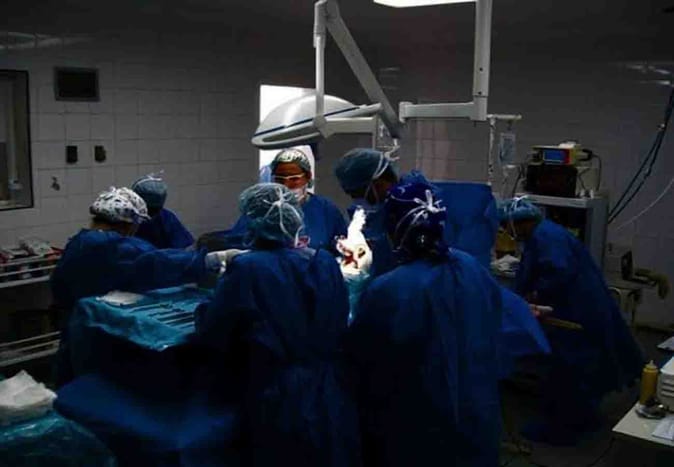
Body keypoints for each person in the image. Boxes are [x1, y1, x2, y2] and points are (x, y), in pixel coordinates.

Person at [195, 183, 360, 467]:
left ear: (253, 222)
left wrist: (203, 310)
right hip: (329, 389)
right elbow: (340, 318)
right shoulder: (323, 261)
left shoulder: (248, 268)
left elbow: (215, 331)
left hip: (277, 394)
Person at [344, 180, 502, 467]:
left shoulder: (391, 288)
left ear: (396, 228)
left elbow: (361, 357)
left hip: (417, 417)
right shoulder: (470, 267)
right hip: (475, 406)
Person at [499, 197, 643, 445]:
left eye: (507, 225)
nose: (507, 232)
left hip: (577, 312)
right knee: (582, 370)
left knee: (568, 371)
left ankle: (563, 430)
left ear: (519, 222)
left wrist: (534, 296)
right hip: (581, 307)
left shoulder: (546, 237)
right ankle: (584, 418)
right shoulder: (544, 234)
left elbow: (557, 272)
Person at [51, 187, 227, 386]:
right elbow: (157, 262)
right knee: (100, 381)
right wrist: (207, 260)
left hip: (75, 322)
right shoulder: (112, 246)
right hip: (95, 329)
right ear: (128, 225)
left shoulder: (79, 241)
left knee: (74, 377)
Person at [230, 148, 346, 253]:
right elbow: (238, 243)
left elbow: (341, 245)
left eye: (294, 179)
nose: (287, 185)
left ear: (308, 177)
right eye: (280, 179)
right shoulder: (261, 207)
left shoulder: (325, 209)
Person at [131, 173, 194, 249]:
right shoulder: (127, 219)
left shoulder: (167, 218)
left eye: (155, 210)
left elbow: (184, 248)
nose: (149, 215)